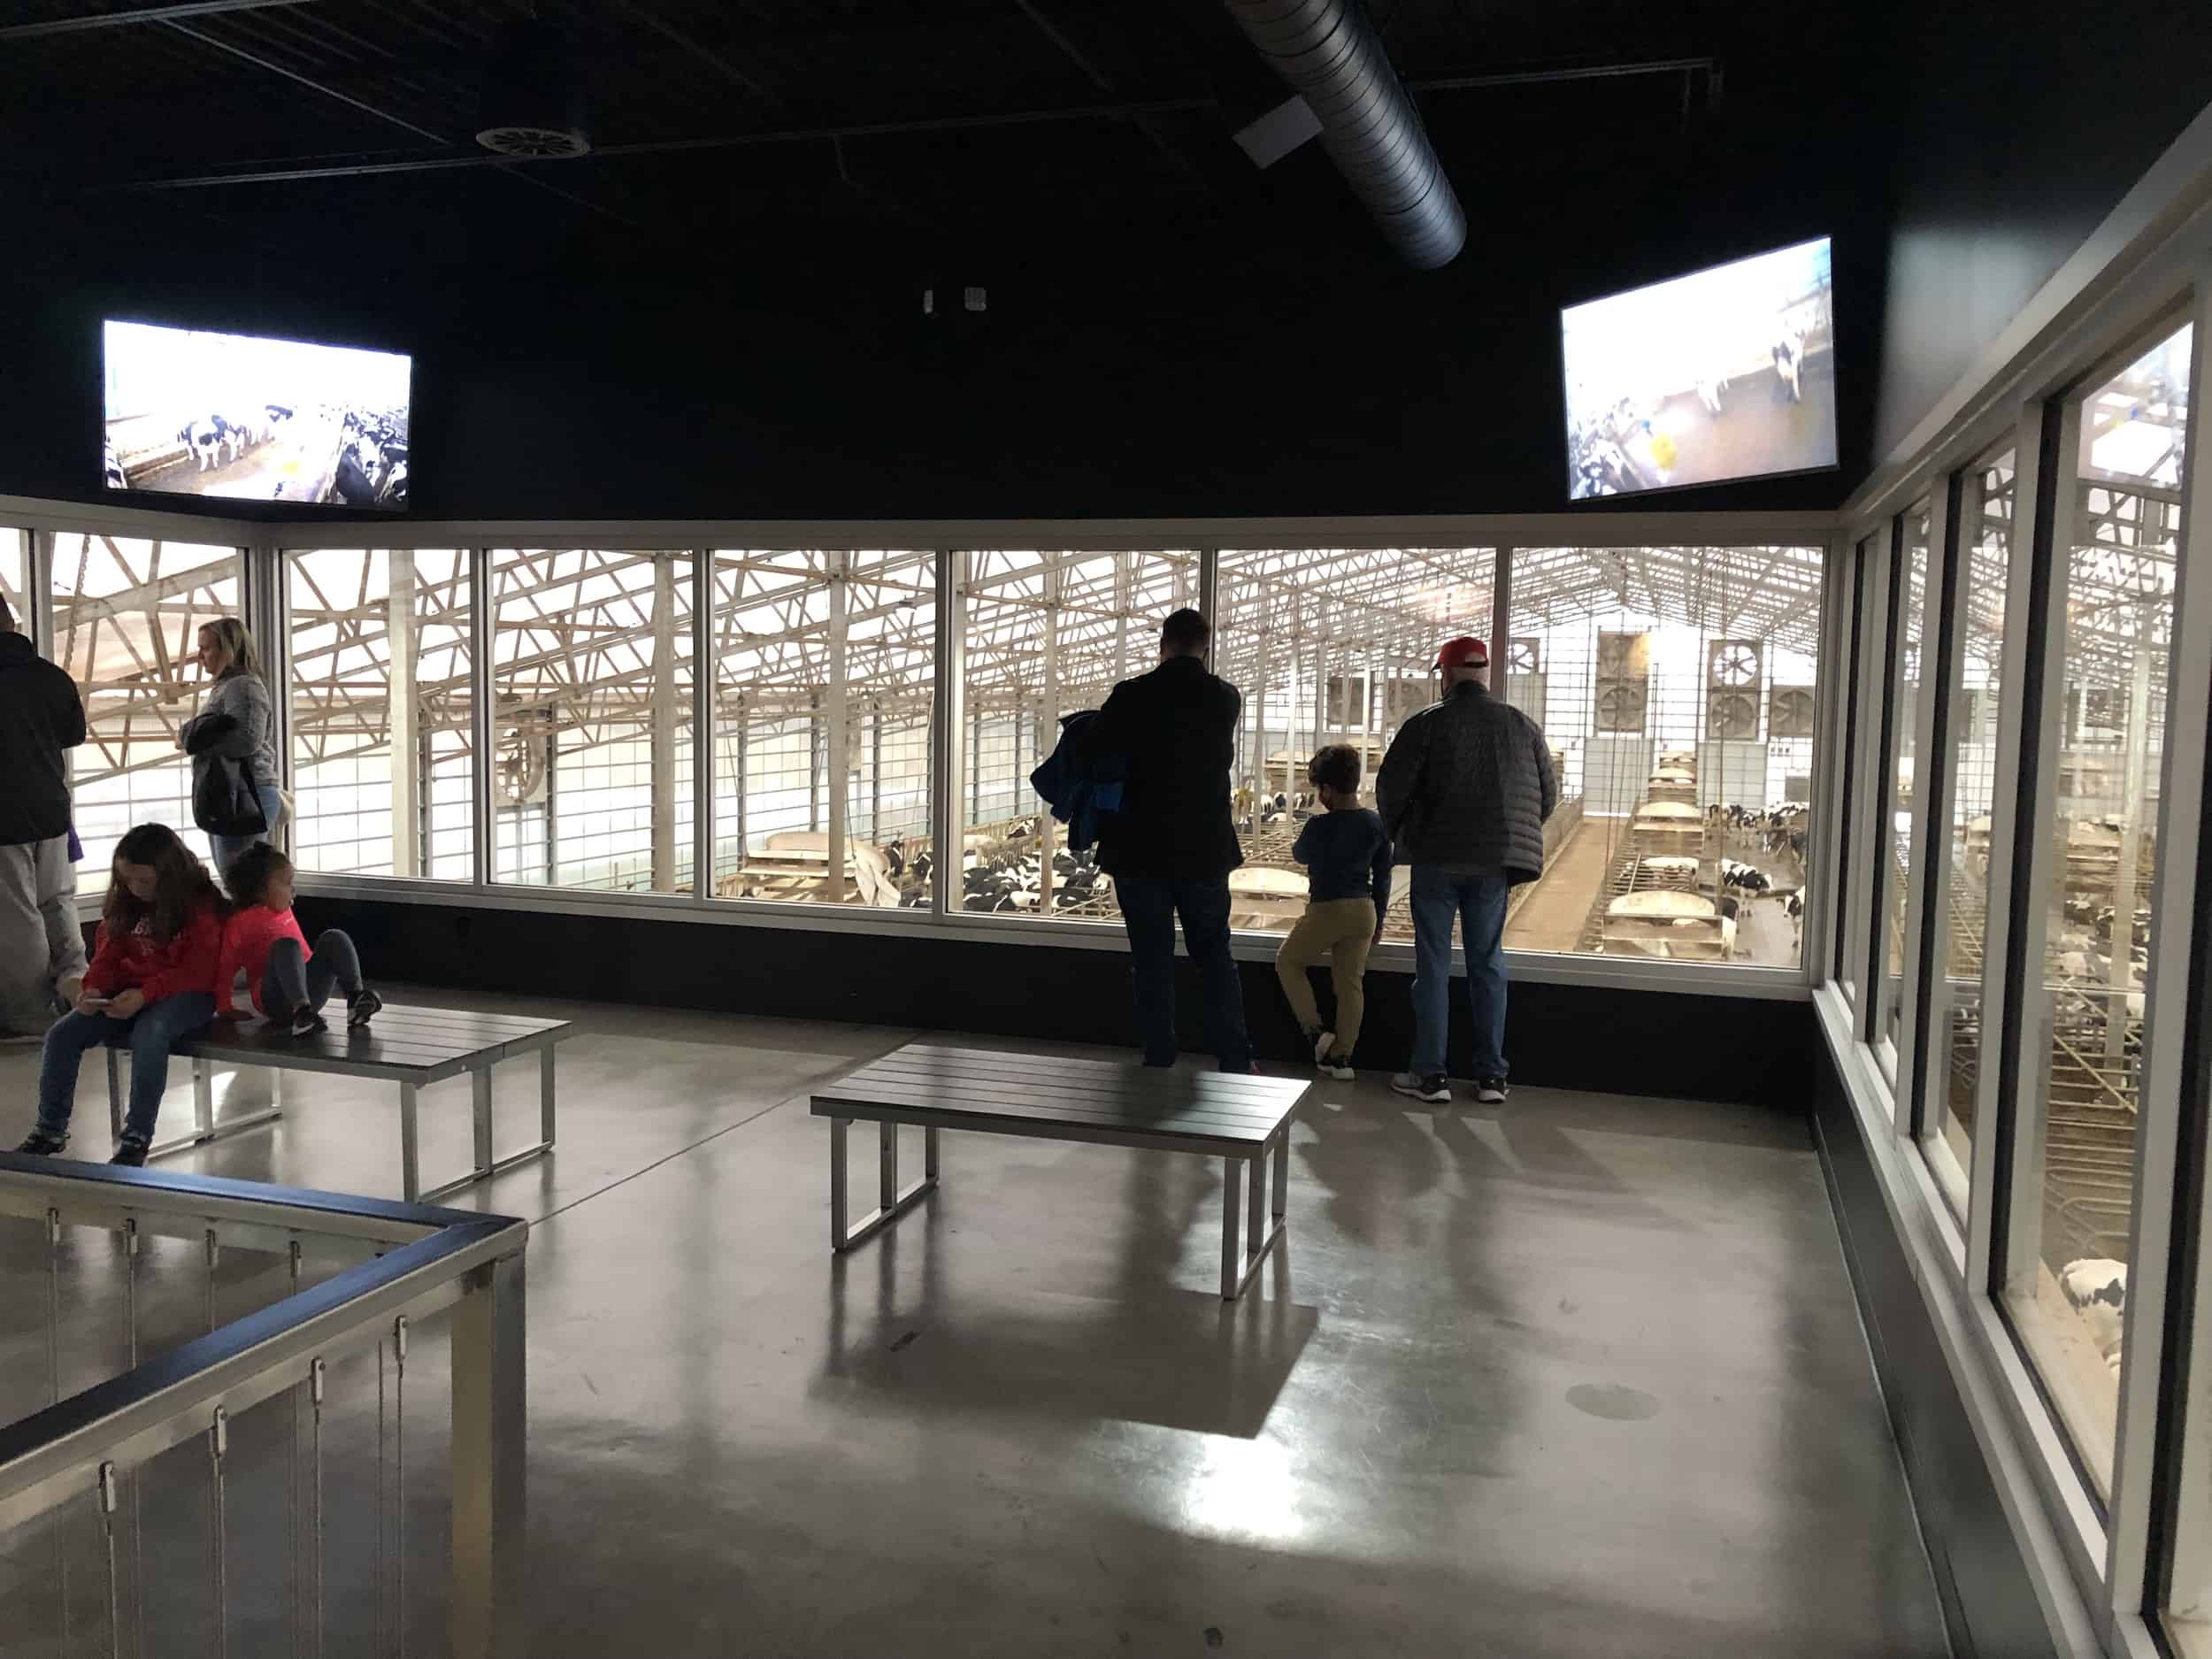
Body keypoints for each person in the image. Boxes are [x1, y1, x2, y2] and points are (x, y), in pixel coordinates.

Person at [1375, 637, 1557, 1106]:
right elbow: (1546, 794)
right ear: (1485, 674)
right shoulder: (1522, 725)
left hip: (1436, 859)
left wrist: (1401, 835)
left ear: (1446, 674)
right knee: (1488, 963)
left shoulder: (1425, 724)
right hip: (1494, 864)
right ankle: (1491, 1078)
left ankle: (1431, 1076)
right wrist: (1510, 836)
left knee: (1433, 965)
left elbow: (1392, 788)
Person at [1080, 608, 1251, 1073]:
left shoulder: (1131, 696)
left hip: (1140, 851)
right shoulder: (1224, 699)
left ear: (1162, 642)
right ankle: (1235, 1058)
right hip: (1204, 850)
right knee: (1215, 956)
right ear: (1205, 645)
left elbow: (1096, 747)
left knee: (1152, 959)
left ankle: (1159, 1055)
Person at [15, 824, 225, 1166]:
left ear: (168, 874)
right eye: (128, 880)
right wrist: (93, 987)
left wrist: (144, 995)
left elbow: (197, 972)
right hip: (132, 993)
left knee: (150, 1032)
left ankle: (136, 1138)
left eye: (144, 880)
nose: (135, 888)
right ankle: (50, 1129)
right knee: (62, 1035)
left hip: (190, 994)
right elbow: (108, 952)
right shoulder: (127, 902)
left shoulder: (200, 905)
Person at [0, 592, 89, 1038]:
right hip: (51, 808)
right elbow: (74, 733)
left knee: (19, 916)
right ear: (12, 624)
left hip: (5, 819)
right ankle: (78, 986)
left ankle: (31, 1014)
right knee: (58, 901)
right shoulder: (52, 677)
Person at [1274, 745, 1391, 1081]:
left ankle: (1315, 1033)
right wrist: (1379, 920)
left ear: (1326, 789)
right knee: (1350, 983)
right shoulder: (1376, 824)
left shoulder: (1318, 827)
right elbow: (1382, 876)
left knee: (1288, 962)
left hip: (1328, 909)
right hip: (1364, 912)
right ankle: (1342, 1057)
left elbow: (1299, 855)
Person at [216, 843, 382, 1036]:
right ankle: (301, 1012)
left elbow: (304, 955)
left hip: (311, 992)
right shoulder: (240, 923)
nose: (293, 890)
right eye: (287, 883)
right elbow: (226, 967)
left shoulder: (283, 908)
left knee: (334, 937)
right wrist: (225, 1007)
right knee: (286, 946)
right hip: (274, 999)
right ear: (262, 890)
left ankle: (355, 999)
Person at [180, 616, 282, 878]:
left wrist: (196, 740)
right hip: (231, 793)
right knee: (234, 878)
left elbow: (247, 740)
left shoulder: (242, 686)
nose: (200, 656)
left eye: (206, 648)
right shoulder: (227, 686)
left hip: (247, 793)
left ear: (229, 649)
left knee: (242, 882)